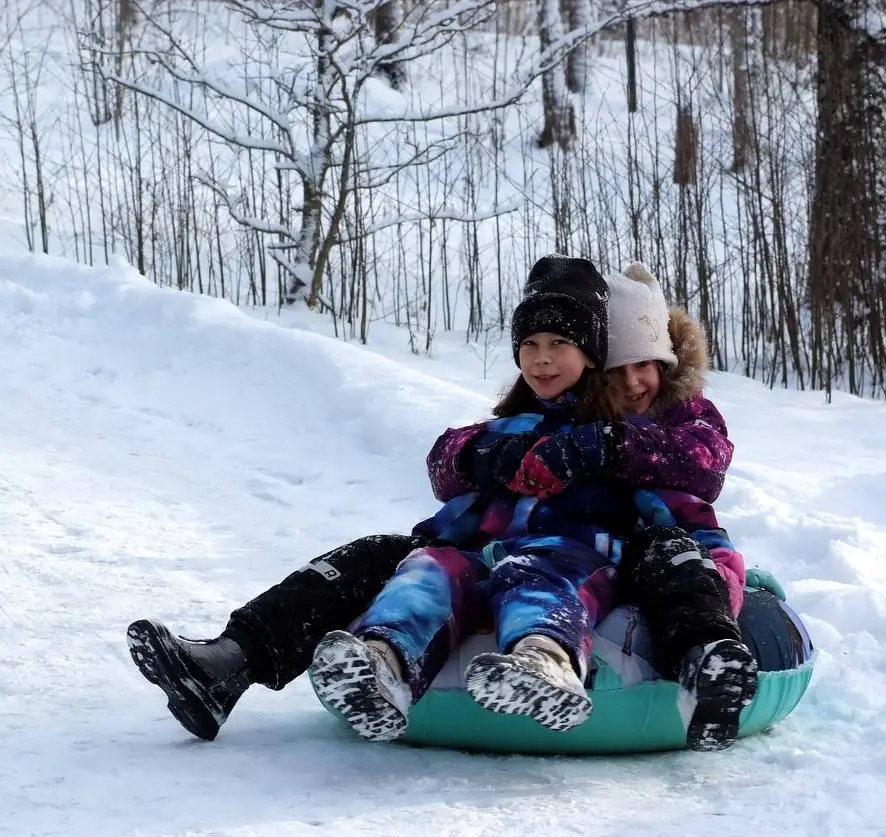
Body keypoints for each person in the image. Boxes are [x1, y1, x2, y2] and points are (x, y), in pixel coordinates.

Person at [427, 261, 760, 750]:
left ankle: (709, 665)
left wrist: (611, 444)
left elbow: (706, 464)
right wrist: (486, 455)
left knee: (677, 563)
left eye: (643, 366)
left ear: (665, 366)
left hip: (666, 545)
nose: (630, 384)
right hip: (591, 553)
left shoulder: (684, 414)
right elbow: (458, 454)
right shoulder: (558, 418)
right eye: (614, 372)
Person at [307, 255, 627, 741]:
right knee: (427, 569)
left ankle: (546, 662)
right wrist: (478, 455)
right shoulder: (502, 426)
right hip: (482, 551)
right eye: (529, 344)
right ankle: (382, 665)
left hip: (572, 552)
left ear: (592, 354)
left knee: (533, 575)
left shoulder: (611, 436)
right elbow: (443, 465)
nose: (541, 358)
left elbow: (674, 482)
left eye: (560, 343)